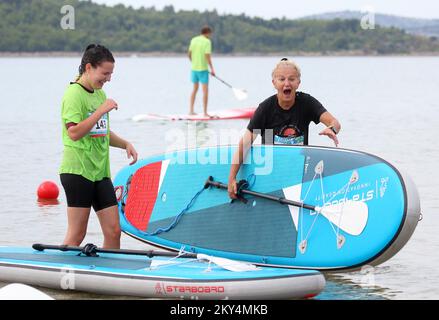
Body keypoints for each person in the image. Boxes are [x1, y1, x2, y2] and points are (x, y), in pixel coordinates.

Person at [59, 44, 138, 249]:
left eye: (111, 74)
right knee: (77, 235)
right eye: (105, 73)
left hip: (100, 172)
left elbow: (101, 132)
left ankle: (109, 277)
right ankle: (60, 274)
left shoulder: (100, 94)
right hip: (78, 172)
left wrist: (125, 144)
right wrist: (100, 111)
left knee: (113, 231)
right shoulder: (74, 94)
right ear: (88, 68)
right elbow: (74, 132)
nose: (108, 79)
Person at [228, 58, 341, 199]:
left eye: (291, 79)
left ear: (298, 82)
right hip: (271, 171)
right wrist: (232, 178)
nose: (287, 83)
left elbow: (334, 122)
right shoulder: (265, 109)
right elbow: (245, 143)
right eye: (281, 79)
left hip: (299, 169)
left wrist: (332, 129)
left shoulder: (307, 103)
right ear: (274, 83)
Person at [188, 25, 216, 117]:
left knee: (194, 90)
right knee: (205, 92)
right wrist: (212, 69)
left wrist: (193, 63)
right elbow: (207, 56)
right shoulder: (207, 41)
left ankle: (191, 111)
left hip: (194, 69)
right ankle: (205, 113)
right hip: (203, 70)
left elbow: (189, 54)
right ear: (208, 33)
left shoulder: (193, 39)